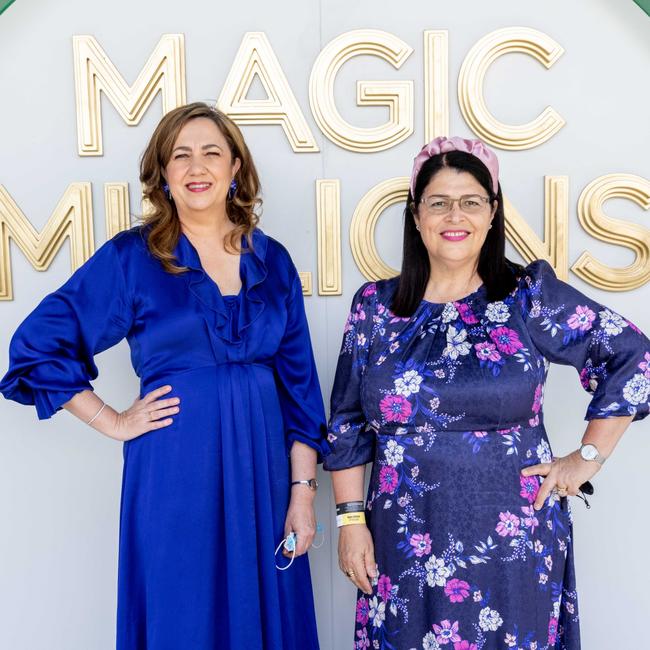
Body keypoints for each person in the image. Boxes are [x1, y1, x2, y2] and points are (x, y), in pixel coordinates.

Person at [0, 102, 329, 650]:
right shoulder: (133, 258)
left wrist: (301, 492)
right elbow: (38, 345)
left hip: (265, 477)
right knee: (183, 612)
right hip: (176, 471)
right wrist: (110, 419)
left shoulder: (275, 263)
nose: (196, 166)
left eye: (211, 153)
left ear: (235, 170)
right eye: (181, 155)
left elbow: (301, 394)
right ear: (164, 174)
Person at [324, 136, 649, 649]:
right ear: (416, 215)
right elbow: (345, 424)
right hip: (402, 543)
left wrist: (586, 457)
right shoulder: (375, 307)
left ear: (493, 213)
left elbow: (633, 355)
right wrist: (350, 523)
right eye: (439, 201)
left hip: (512, 544)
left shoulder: (528, 296)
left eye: (471, 200)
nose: (456, 214)